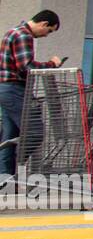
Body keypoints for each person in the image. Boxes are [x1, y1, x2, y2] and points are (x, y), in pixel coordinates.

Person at [0, 10, 64, 179]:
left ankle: (4, 177)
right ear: (43, 24)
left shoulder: (13, 32)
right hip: (14, 89)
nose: (46, 35)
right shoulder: (23, 35)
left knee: (10, 136)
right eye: (49, 31)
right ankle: (12, 169)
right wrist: (51, 64)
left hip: (7, 89)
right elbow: (26, 67)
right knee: (35, 131)